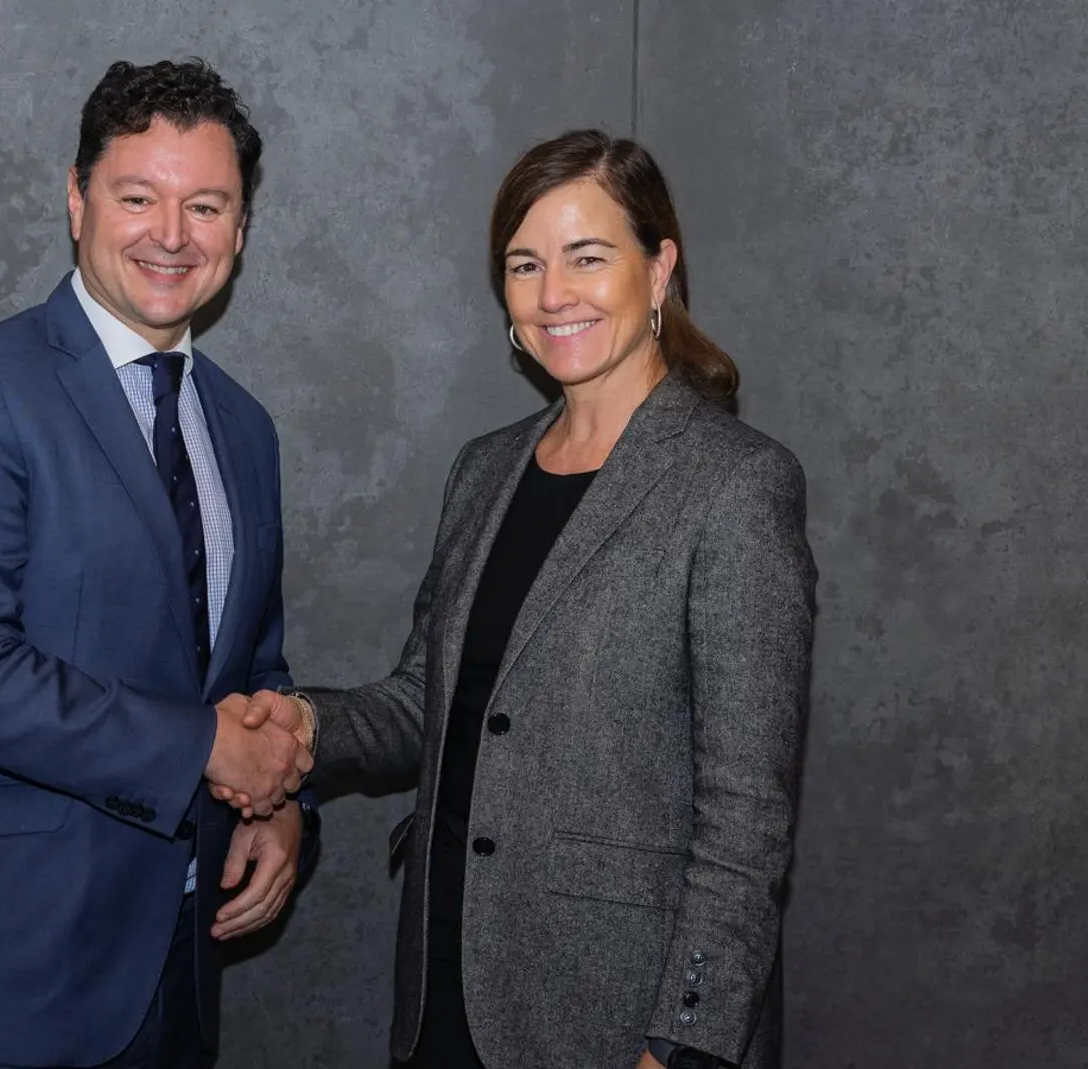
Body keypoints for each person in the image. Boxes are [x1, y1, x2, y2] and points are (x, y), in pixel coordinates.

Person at [235, 130, 816, 1069]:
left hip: (621, 1017)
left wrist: (687, 1042)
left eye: (589, 257)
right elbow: (428, 701)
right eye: (525, 264)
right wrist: (299, 727)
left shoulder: (736, 485)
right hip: (445, 988)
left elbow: (746, 817)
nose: (554, 295)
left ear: (659, 267)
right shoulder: (486, 470)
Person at [0, 59, 316, 1069]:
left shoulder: (244, 429)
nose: (170, 234)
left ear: (240, 228)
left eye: (205, 204)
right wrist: (204, 749)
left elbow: (248, 669)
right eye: (136, 196)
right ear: (76, 199)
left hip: (173, 969)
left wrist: (277, 805)